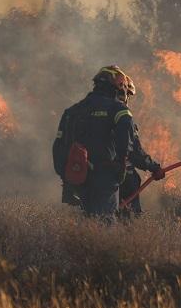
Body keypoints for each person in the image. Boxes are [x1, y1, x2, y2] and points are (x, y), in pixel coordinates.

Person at [53, 65, 164, 220]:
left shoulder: (72, 111)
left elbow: (58, 148)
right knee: (105, 225)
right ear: (119, 87)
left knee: (83, 224)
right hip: (104, 178)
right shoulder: (118, 111)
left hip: (76, 180)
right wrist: (152, 167)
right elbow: (132, 149)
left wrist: (67, 175)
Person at [118, 75, 164, 217]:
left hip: (90, 177)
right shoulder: (121, 116)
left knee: (95, 218)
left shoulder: (85, 112)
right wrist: (154, 167)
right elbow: (134, 151)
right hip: (120, 177)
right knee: (127, 219)